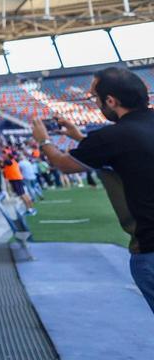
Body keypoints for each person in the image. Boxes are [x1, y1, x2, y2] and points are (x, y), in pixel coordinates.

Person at [33, 66, 154, 313]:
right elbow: (126, 152)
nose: (96, 103)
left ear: (111, 101)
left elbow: (63, 164)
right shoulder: (131, 132)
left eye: (95, 98)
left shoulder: (113, 136)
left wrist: (43, 140)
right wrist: (79, 137)